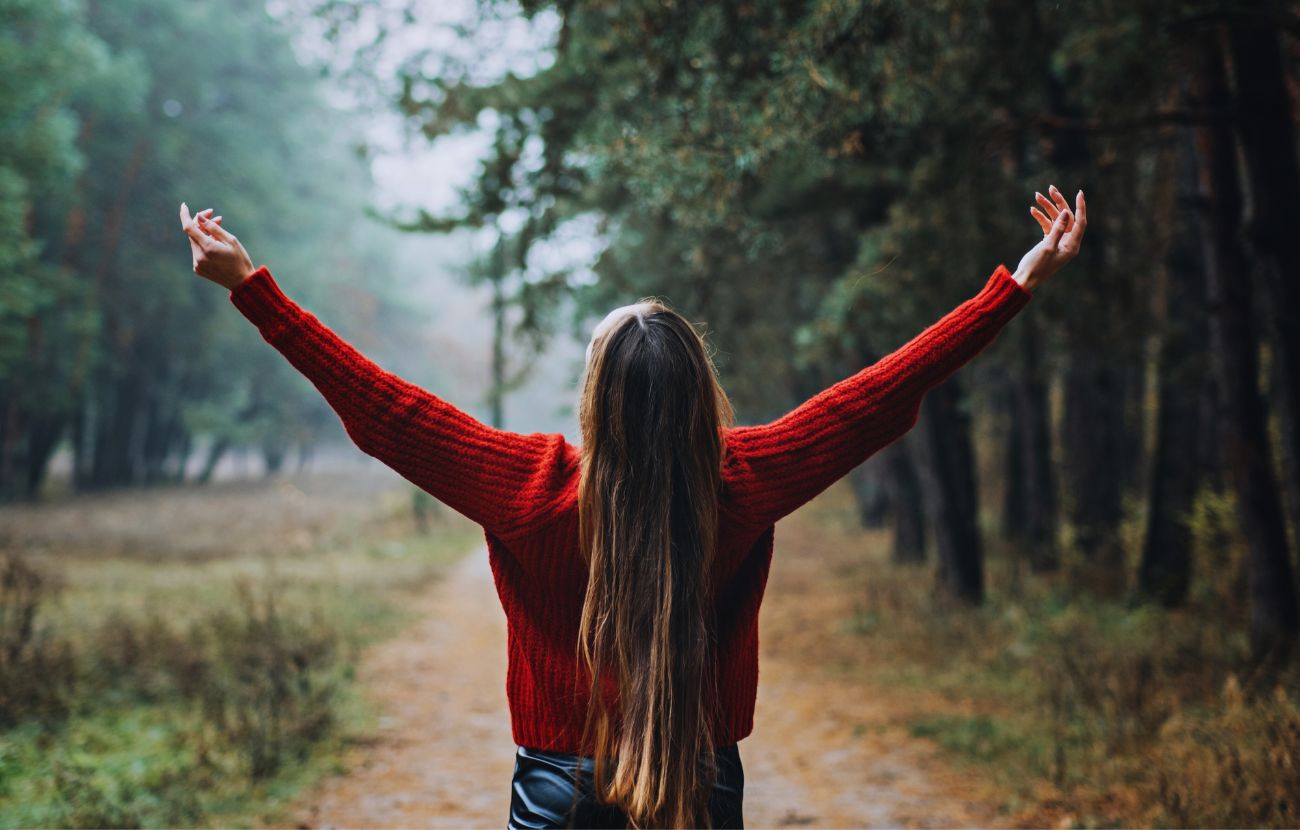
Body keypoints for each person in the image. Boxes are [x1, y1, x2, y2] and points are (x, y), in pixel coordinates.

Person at [178, 184, 1085, 829]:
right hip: (700, 785)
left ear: (595, 399)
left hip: (558, 792)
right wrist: (1013, 289)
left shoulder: (530, 486)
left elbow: (387, 411)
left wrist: (255, 290)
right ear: (698, 395)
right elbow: (875, 398)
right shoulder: (741, 479)